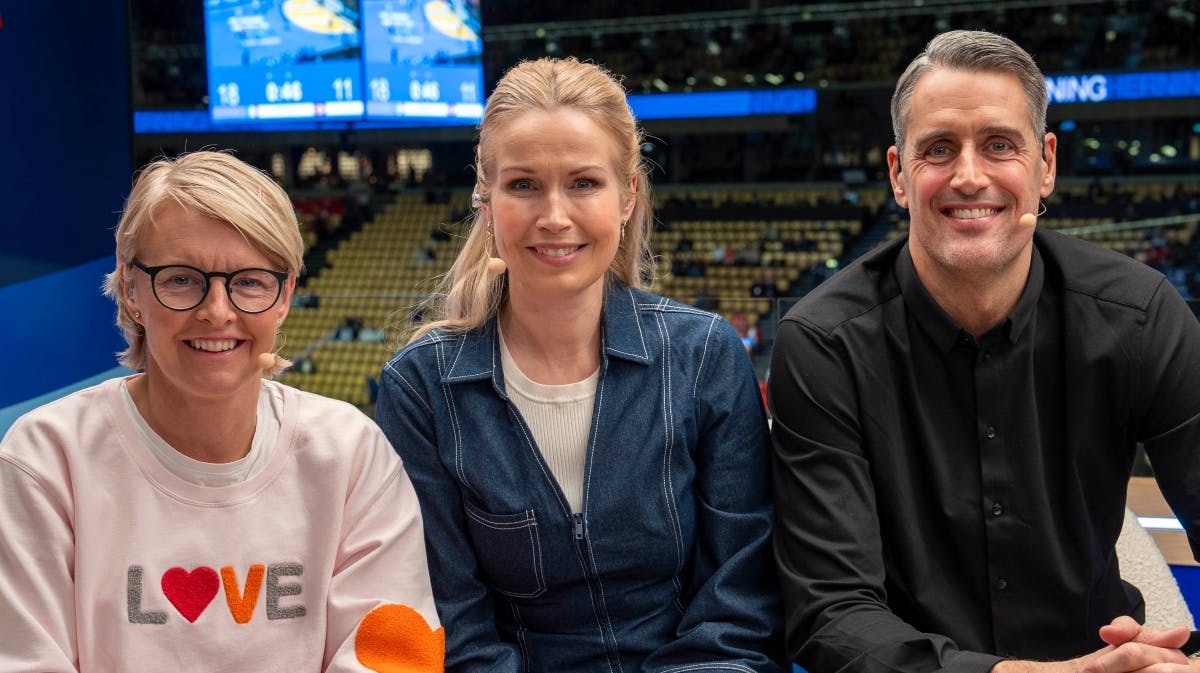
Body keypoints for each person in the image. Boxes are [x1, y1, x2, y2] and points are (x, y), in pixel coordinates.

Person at [768, 30, 1200, 673]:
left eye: (1000, 145)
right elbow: (832, 613)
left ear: (1046, 163)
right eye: (938, 149)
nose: (969, 176)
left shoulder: (1141, 316)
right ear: (898, 175)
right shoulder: (822, 344)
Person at [375, 57, 784, 673]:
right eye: (524, 185)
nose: (555, 216)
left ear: (627, 197)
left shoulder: (703, 356)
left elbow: (740, 603)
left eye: (584, 183)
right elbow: (455, 625)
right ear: (486, 203)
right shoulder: (421, 387)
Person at [0, 150, 443, 672]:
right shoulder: (46, 460)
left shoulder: (351, 455)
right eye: (181, 279)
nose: (217, 311)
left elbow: (393, 658)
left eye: (250, 281)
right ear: (130, 287)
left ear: (286, 296)